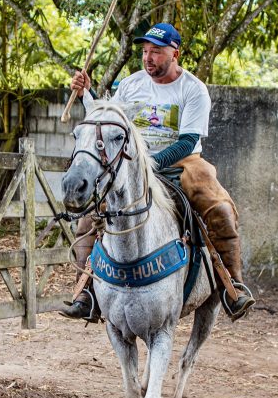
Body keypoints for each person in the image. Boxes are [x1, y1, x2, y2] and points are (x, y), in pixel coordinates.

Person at [60, 23, 255, 322]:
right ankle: (85, 290)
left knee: (219, 208)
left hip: (183, 162)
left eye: (156, 52)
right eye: (145, 51)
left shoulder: (193, 89)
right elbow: (109, 120)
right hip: (132, 162)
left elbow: (189, 140)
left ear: (175, 53)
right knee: (91, 212)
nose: (148, 58)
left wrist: (152, 164)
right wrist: (88, 93)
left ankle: (233, 285)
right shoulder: (130, 85)